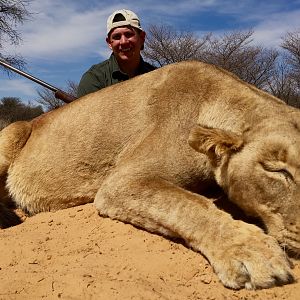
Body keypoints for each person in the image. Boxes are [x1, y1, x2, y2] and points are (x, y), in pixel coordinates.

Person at [77, 9, 156, 98]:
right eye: (117, 37)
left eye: (128, 34)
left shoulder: (157, 76)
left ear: (142, 37)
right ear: (109, 43)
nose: (123, 42)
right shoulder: (94, 78)